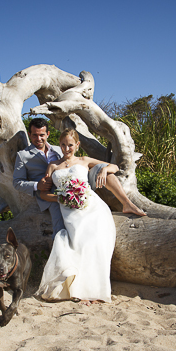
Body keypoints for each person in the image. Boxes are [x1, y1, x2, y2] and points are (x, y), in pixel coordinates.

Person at [13, 120, 146, 239]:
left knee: (104, 170)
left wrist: (104, 169)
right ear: (29, 135)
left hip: (80, 185)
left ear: (47, 134)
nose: (38, 138)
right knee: (61, 231)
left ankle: (127, 203)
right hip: (51, 193)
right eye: (35, 135)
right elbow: (17, 182)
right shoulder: (23, 155)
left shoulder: (60, 148)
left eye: (41, 135)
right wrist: (37, 185)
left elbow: (72, 160)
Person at [35, 129, 122, 303]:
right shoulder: (53, 166)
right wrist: (60, 197)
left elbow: (115, 167)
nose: (66, 149)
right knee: (79, 245)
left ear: (77, 145)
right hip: (69, 212)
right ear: (59, 145)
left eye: (70, 145)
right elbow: (43, 194)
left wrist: (104, 170)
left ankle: (96, 292)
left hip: (93, 208)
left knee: (95, 243)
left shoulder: (84, 160)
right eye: (63, 145)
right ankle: (79, 289)